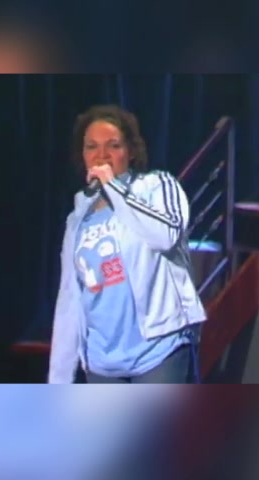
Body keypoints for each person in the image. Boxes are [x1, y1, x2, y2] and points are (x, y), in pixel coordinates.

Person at [48, 104, 206, 384]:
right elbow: (70, 299)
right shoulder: (78, 218)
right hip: (102, 362)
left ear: (131, 151)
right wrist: (58, 379)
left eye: (113, 145)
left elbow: (166, 236)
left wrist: (114, 187)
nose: (101, 155)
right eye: (91, 147)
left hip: (159, 351)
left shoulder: (157, 186)